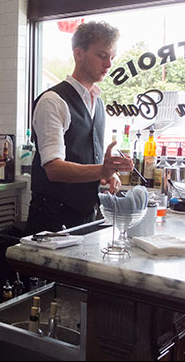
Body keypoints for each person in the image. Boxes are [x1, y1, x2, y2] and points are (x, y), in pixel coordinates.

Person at [24, 21, 133, 235]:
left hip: (86, 217)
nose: (109, 64)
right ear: (79, 54)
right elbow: (54, 169)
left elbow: (86, 157)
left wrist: (109, 174)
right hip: (51, 220)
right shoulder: (53, 101)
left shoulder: (98, 104)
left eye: (112, 57)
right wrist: (101, 170)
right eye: (102, 55)